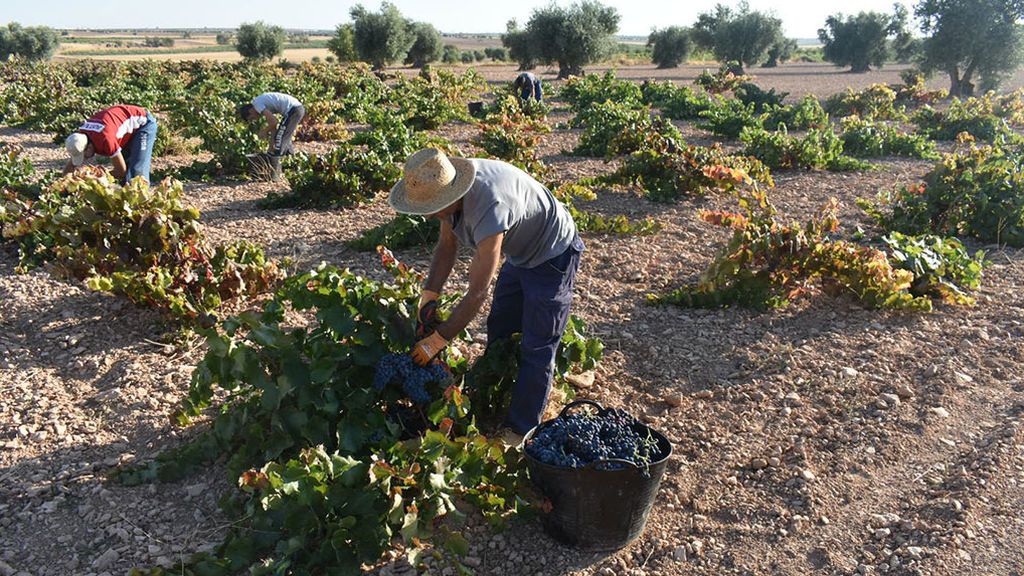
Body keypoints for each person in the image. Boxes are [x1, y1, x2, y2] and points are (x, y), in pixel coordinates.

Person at [389, 148, 583, 445]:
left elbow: (477, 292)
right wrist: (429, 295)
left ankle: (520, 429)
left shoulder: (489, 207)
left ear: (450, 197)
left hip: (552, 252)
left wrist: (439, 338)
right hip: (519, 255)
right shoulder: (447, 186)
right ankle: (499, 397)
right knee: (502, 327)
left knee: (538, 344)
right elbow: (446, 247)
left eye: (431, 207)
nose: (428, 214)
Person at [64, 105, 158, 184]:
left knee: (136, 173)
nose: (84, 158)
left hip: (143, 123)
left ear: (88, 148)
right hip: (119, 125)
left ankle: (141, 204)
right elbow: (69, 169)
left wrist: (96, 177)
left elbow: (121, 171)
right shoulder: (80, 138)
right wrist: (66, 181)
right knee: (126, 177)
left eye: (83, 155)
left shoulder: (106, 140)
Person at [237, 92, 305, 180]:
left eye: (252, 118)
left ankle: (275, 173)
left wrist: (264, 131)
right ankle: (292, 167)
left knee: (280, 140)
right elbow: (274, 129)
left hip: (294, 110)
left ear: (250, 111)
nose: (255, 120)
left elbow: (274, 122)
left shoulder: (257, 104)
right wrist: (269, 150)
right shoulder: (261, 106)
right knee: (284, 139)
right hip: (295, 109)